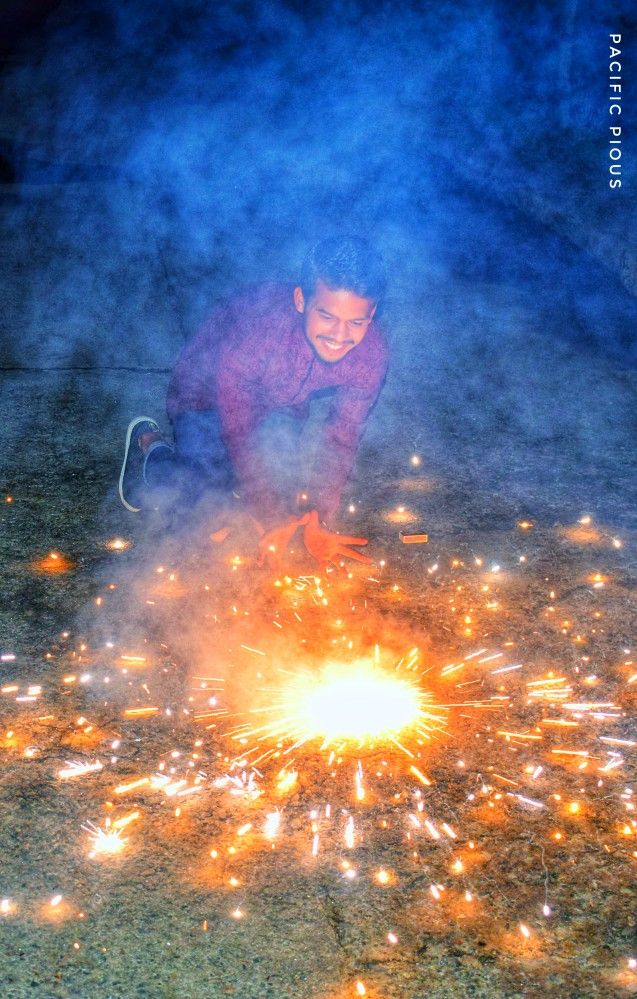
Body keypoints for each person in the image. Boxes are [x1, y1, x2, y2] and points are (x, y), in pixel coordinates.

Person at [118, 235, 389, 567]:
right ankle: (151, 449)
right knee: (205, 517)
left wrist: (318, 515)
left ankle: (234, 486)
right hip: (205, 393)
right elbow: (239, 428)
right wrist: (268, 513)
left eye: (356, 321)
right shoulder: (258, 331)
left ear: (372, 312)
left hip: (280, 404)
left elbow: (342, 436)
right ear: (301, 300)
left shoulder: (371, 352)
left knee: (280, 498)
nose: (340, 335)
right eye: (328, 316)